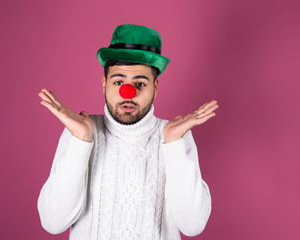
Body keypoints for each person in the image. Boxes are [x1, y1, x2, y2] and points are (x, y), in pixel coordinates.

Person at [37, 24, 218, 240]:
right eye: (118, 81)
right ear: (104, 83)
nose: (128, 93)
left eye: (140, 83)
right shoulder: (80, 132)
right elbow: (53, 222)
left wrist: (173, 143)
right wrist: (80, 141)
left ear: (156, 87)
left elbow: (193, 225)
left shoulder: (176, 136)